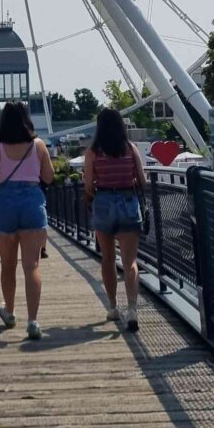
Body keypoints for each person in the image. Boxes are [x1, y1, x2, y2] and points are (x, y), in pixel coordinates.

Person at [0, 101, 54, 340]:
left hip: (5, 203)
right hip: (32, 202)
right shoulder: (38, 145)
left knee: (8, 264)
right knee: (31, 265)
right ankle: (33, 321)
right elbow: (49, 177)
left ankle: (10, 312)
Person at [84, 108, 146, 331]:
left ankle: (112, 306)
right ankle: (132, 309)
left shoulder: (94, 152)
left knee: (108, 259)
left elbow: (89, 184)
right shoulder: (130, 148)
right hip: (128, 201)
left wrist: (94, 194)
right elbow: (142, 179)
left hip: (104, 203)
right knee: (130, 261)